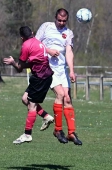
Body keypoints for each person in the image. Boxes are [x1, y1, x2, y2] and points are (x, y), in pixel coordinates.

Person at [35, 8, 82, 145]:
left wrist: (72, 71)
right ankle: (58, 130)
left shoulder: (68, 33)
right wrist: (48, 50)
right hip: (48, 68)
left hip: (62, 70)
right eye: (59, 20)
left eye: (64, 21)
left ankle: (71, 133)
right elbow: (35, 45)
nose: (61, 23)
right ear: (55, 18)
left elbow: (69, 52)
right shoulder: (46, 27)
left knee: (67, 98)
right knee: (60, 94)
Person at [3, 26, 54, 144]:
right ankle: (46, 116)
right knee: (25, 99)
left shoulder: (26, 45)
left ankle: (27, 134)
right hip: (44, 76)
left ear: (22, 38)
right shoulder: (38, 42)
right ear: (32, 32)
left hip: (40, 78)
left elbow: (19, 68)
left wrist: (12, 63)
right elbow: (32, 64)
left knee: (32, 106)